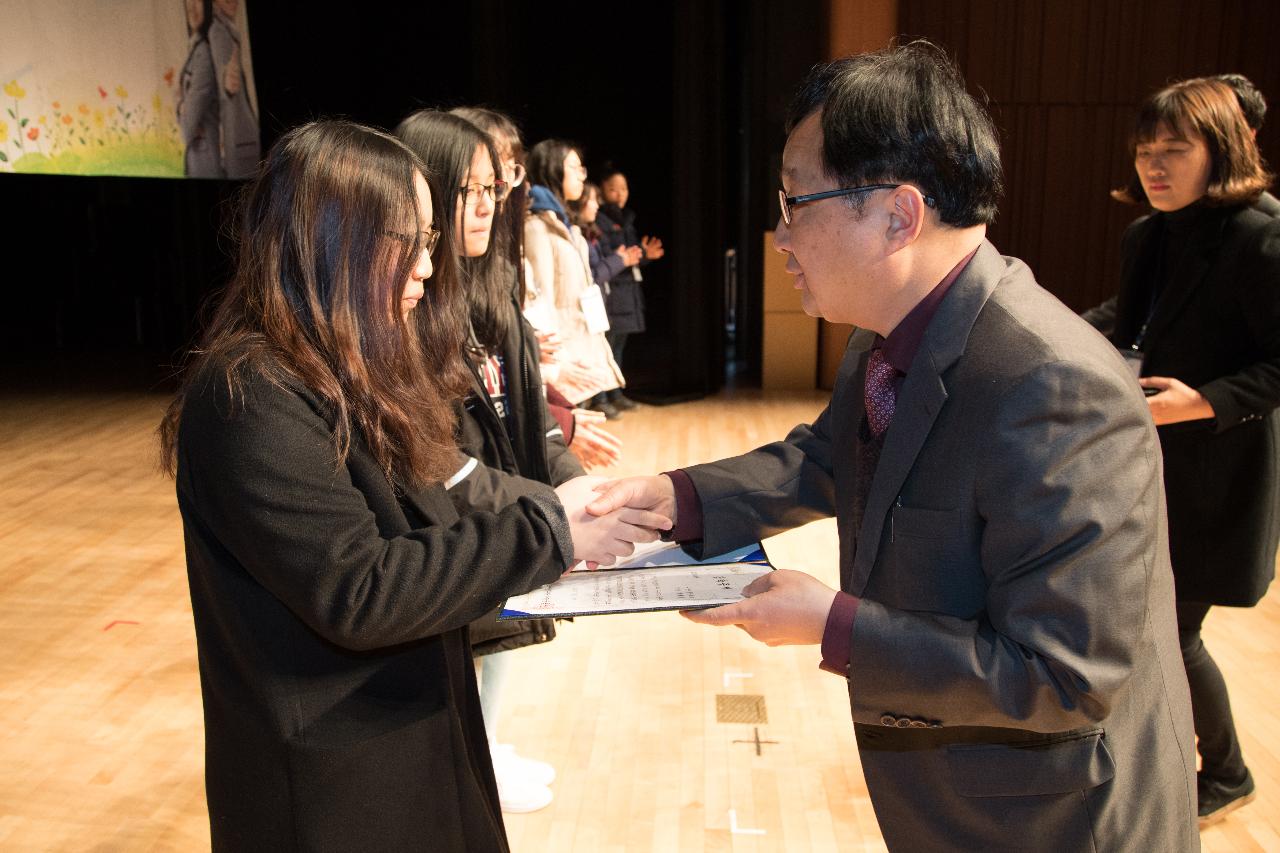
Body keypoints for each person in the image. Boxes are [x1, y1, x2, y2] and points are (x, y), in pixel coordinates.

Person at [590, 43, 1198, 851]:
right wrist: (685, 498)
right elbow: (831, 456)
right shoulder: (892, 330)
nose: (778, 234)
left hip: (1052, 819)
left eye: (795, 201)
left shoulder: (1053, 385)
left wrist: (835, 622)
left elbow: (1065, 673)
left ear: (898, 216)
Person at [158, 120, 666, 850]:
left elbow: (443, 495)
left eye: (432, 241)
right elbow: (360, 588)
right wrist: (548, 528)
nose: (429, 269)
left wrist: (561, 505)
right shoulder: (252, 394)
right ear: (334, 240)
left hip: (408, 740)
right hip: (332, 788)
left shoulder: (352, 368)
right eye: (411, 242)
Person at [1081, 76, 1280, 827]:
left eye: (1174, 151)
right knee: (1147, 622)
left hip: (1219, 473)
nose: (1153, 168)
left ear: (1219, 151)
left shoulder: (1264, 235)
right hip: (1150, 464)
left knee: (1175, 629)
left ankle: (1224, 770)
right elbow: (1130, 324)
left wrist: (1200, 401)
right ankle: (1162, 754)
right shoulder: (1149, 234)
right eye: (1143, 153)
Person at [395, 108, 576, 813]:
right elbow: (440, 457)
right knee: (470, 651)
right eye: (470, 189)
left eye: (493, 187)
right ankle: (477, 760)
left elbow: (524, 417)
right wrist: (557, 508)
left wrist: (573, 484)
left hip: (501, 506)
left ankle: (486, 750)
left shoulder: (491, 293)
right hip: (460, 525)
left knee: (497, 646)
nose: (487, 203)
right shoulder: (411, 314)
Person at [523, 139, 624, 410]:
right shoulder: (536, 226)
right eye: (575, 168)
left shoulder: (567, 225)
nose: (583, 175)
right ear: (553, 169)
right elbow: (539, 301)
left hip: (579, 352)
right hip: (561, 360)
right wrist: (558, 364)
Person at [593, 167, 664, 415]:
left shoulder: (626, 219)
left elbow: (630, 257)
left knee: (618, 348)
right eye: (613, 188)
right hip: (610, 295)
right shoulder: (598, 220)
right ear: (601, 191)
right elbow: (609, 258)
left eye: (623, 188)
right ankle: (599, 398)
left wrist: (644, 255)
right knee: (605, 349)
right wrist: (634, 255)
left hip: (627, 294)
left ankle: (615, 393)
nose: (619, 194)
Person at [207, 0, 259, 178]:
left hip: (243, 128)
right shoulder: (219, 31)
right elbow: (227, 84)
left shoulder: (230, 30)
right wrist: (227, 79)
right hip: (237, 130)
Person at [176, 0, 221, 178]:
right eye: (188, 4)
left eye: (197, 3)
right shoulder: (195, 50)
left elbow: (188, 124)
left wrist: (181, 107)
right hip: (197, 157)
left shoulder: (203, 53)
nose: (192, 9)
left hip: (206, 159)